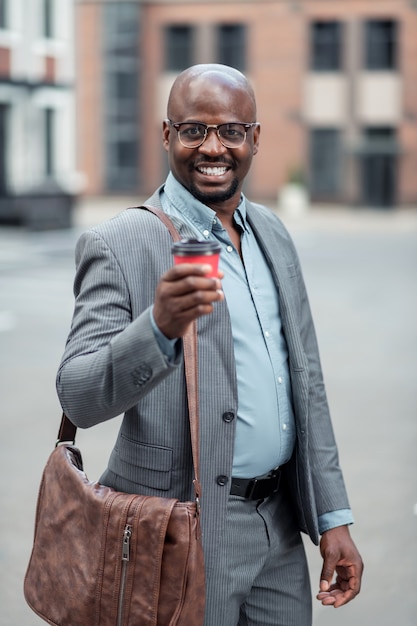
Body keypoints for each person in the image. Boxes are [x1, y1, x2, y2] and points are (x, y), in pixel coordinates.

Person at [57, 63, 363, 625]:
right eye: (194, 130)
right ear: (167, 135)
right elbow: (78, 396)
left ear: (255, 138)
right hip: (180, 531)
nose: (213, 147)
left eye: (230, 131)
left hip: (279, 527)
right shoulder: (120, 242)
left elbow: (307, 385)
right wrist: (158, 328)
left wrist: (332, 516)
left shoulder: (272, 233)